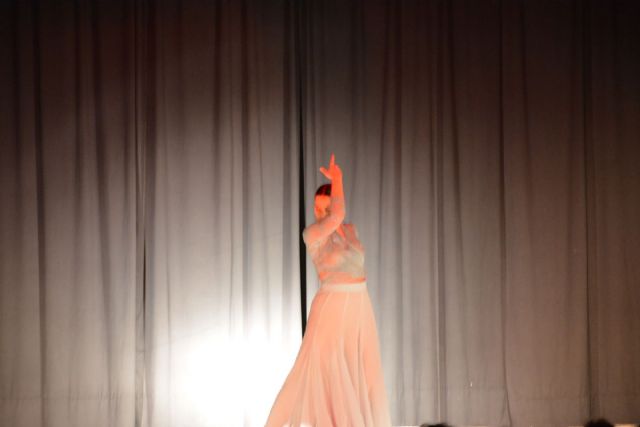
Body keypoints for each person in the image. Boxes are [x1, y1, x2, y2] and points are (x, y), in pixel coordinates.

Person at [265, 153, 392, 426]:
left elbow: (341, 222)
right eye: (317, 208)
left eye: (325, 208)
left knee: (364, 367)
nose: (320, 214)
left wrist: (336, 187)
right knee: (315, 369)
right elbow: (337, 214)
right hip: (331, 304)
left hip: (359, 305)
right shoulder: (312, 235)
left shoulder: (350, 230)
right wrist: (338, 179)